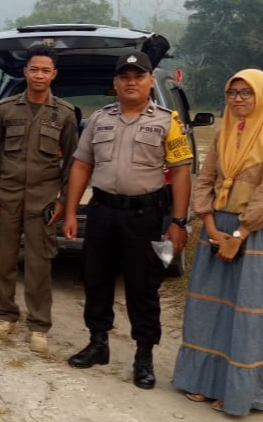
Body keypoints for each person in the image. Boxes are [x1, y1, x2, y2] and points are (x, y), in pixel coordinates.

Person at [63, 51, 193, 389]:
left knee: (142, 286)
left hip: (144, 215)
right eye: (124, 76)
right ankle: (98, 343)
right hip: (103, 211)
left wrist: (178, 221)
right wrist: (69, 209)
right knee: (96, 279)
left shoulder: (168, 121)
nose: (131, 82)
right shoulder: (98, 120)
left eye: (138, 76)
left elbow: (180, 172)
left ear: (151, 81)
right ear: (115, 83)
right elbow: (81, 165)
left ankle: (144, 356)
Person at [172, 69, 263, 416]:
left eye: (246, 93)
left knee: (245, 311)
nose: (238, 99)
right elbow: (206, 178)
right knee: (210, 307)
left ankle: (236, 391)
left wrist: (239, 236)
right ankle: (204, 382)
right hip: (216, 227)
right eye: (232, 92)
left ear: (262, 95)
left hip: (251, 233)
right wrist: (209, 225)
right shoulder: (224, 132)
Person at [0, 44, 79, 353]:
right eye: (34, 69)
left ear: (54, 75)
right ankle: (5, 315)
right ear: (25, 72)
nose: (39, 75)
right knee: (5, 259)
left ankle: (39, 325)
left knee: (40, 265)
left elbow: (73, 163)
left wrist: (65, 200)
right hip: (7, 198)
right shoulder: (5, 110)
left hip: (43, 203)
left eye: (45, 70)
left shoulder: (64, 114)